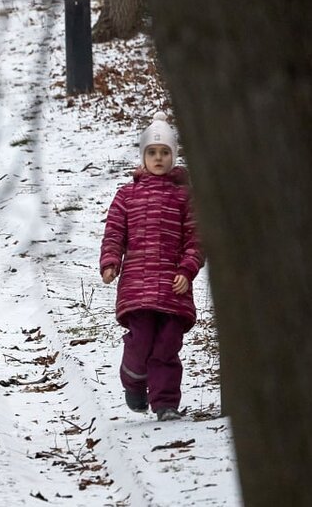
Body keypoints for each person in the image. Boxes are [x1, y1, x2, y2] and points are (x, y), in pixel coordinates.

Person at [99, 112, 204, 421]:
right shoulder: (127, 195)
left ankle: (166, 403)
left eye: (165, 152)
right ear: (143, 156)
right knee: (141, 339)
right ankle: (133, 380)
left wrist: (187, 269)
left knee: (167, 346)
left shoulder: (185, 197)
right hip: (138, 285)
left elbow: (196, 238)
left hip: (173, 287)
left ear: (173, 156)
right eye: (152, 152)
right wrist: (110, 262)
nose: (159, 158)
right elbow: (114, 232)